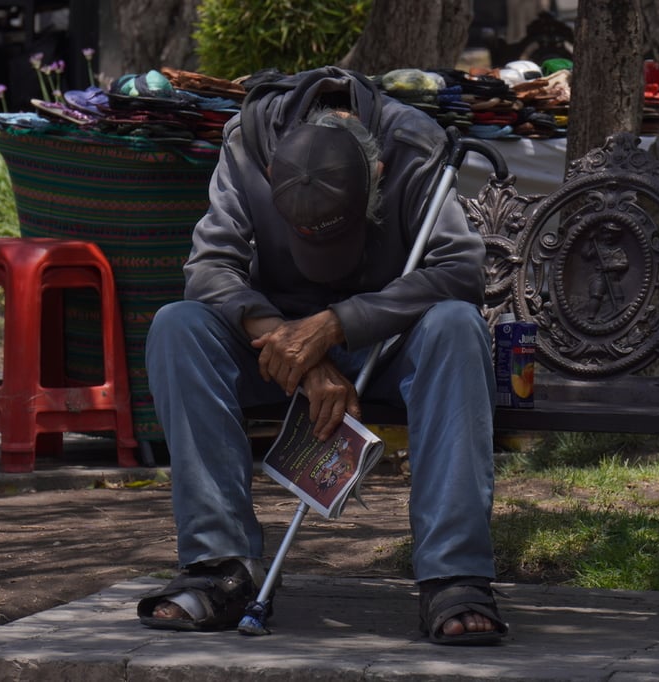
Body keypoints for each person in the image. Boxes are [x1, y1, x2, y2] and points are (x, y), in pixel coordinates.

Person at [136, 66, 508, 645]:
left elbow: (460, 271)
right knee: (177, 326)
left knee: (456, 327)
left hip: (390, 345)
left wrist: (338, 325)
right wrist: (303, 354)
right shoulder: (247, 142)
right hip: (278, 351)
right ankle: (220, 568)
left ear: (377, 173)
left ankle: (454, 576)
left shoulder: (413, 144)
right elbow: (209, 269)